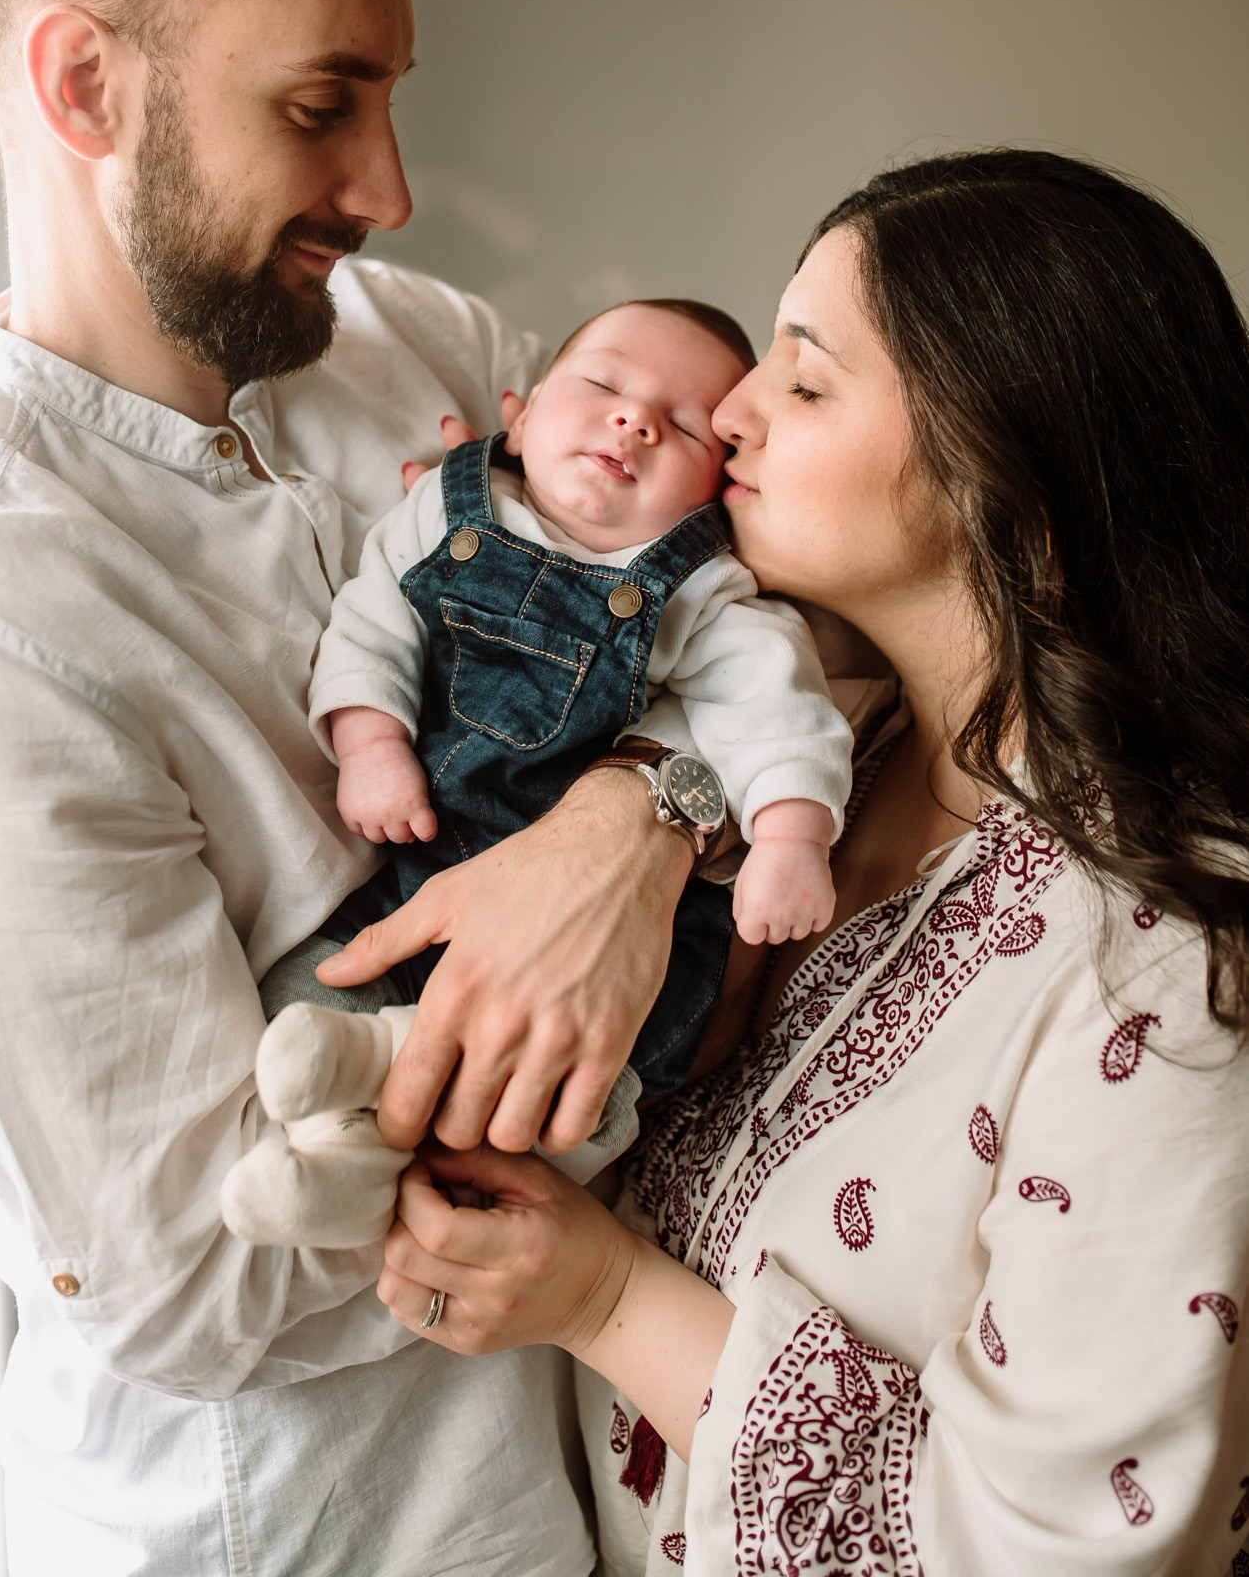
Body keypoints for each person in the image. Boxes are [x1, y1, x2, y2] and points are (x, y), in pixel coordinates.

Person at [0, 0, 723, 1576]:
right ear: (84, 83)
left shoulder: (409, 341)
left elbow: (759, 599)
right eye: (320, 102)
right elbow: (186, 1273)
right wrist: (562, 1040)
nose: (391, 186)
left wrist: (632, 831)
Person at [371, 151, 1249, 1576]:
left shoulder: (1167, 969)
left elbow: (1055, 1544)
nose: (725, 414)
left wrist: (600, 1301)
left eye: (803, 376)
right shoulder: (830, 747)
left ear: (995, 470)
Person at [221, 296, 855, 1249]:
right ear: (517, 417)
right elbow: (371, 623)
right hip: (415, 876)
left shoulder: (698, 588)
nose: (635, 419)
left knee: (561, 1114)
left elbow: (775, 707)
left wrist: (791, 835)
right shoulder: (442, 508)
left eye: (683, 426)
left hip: (598, 960)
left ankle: (378, 1098)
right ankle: (339, 1174)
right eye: (603, 384)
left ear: (715, 490)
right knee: (308, 987)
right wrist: (370, 744)